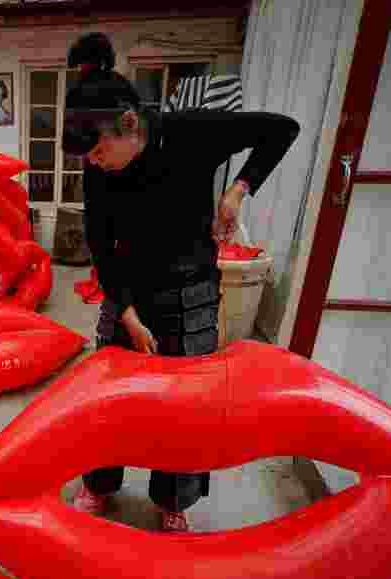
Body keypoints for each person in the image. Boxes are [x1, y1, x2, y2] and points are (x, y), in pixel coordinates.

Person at [62, 32, 300, 532]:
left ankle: (173, 498)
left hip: (189, 289)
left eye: (100, 151)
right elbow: (101, 244)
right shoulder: (101, 169)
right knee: (113, 401)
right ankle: (100, 483)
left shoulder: (190, 132)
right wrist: (125, 313)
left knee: (185, 405)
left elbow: (282, 129)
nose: (94, 164)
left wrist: (238, 189)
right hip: (128, 288)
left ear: (129, 125)